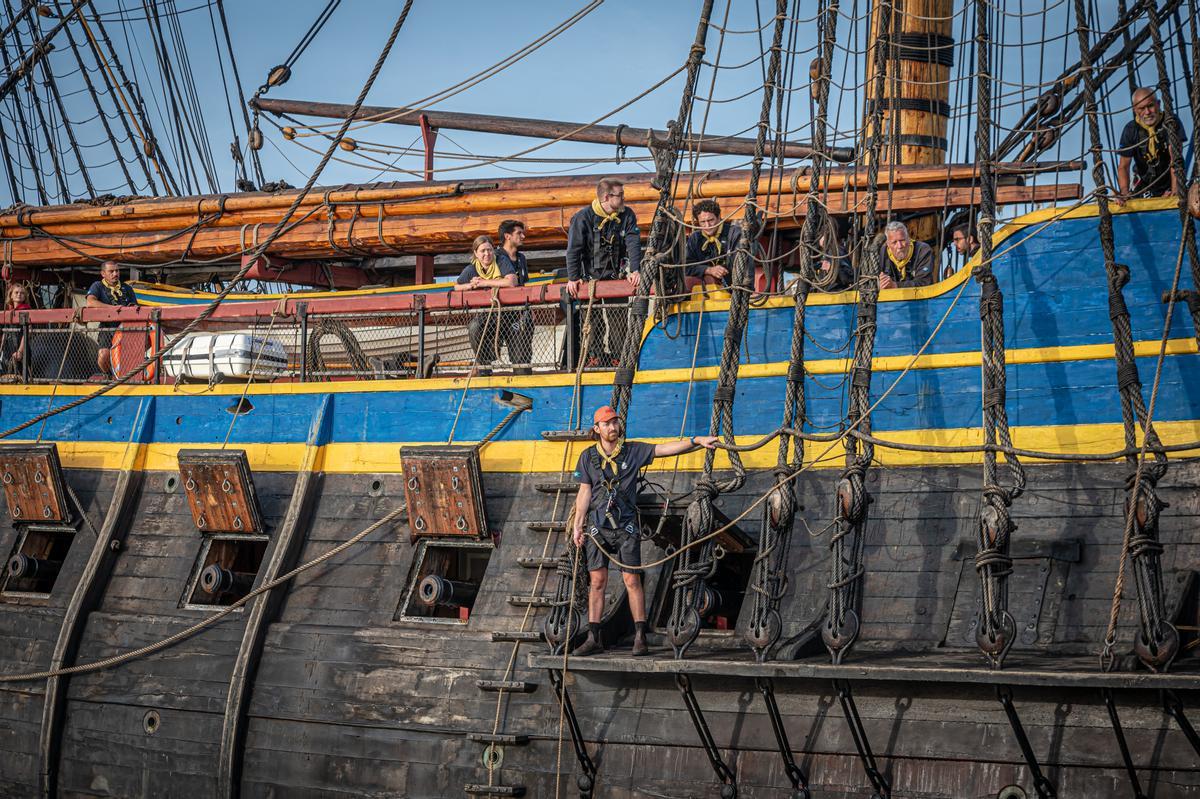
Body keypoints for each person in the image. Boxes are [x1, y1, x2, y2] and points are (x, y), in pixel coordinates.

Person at [570, 405, 718, 656]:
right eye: (607, 424)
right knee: (597, 581)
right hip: (597, 529)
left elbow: (664, 449)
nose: (613, 427)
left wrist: (697, 441)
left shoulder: (633, 451)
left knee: (631, 579)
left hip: (626, 527)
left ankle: (640, 635)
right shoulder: (587, 457)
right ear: (597, 429)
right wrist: (578, 526)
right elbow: (584, 492)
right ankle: (594, 636)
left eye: (615, 422)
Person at [565, 177, 641, 366]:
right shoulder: (583, 218)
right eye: (620, 195)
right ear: (607, 197)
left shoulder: (627, 215)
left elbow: (633, 242)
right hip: (589, 279)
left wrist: (635, 269)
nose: (623, 198)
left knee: (619, 320)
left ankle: (618, 357)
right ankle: (594, 356)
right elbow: (573, 249)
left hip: (616, 277)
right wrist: (573, 278)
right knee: (591, 320)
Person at [454, 235, 517, 374]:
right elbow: (456, 287)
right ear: (476, 253)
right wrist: (470, 285)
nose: (487, 254)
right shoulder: (471, 269)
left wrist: (484, 282)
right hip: (486, 315)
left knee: (518, 351)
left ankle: (487, 365)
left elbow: (512, 282)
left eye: (489, 250)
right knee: (474, 327)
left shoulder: (501, 261)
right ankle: (484, 366)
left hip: (507, 313)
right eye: (483, 251)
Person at [1116, 87, 1183, 203]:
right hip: (1145, 187)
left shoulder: (1171, 123)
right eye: (1142, 108)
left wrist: (1175, 192)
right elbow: (1123, 166)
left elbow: (1175, 160)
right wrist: (1124, 192)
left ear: (1158, 104)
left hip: (1170, 184)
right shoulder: (1131, 130)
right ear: (1135, 110)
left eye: (1150, 106)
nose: (1147, 112)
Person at [86, 261, 138, 377]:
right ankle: (109, 375)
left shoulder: (127, 288)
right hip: (107, 328)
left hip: (126, 329)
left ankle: (126, 376)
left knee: (128, 356)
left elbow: (134, 307)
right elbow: (90, 302)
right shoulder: (97, 286)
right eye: (111, 271)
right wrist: (113, 308)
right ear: (103, 273)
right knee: (103, 355)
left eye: (117, 271)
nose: (115, 274)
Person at [496, 219, 534, 373]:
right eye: (519, 233)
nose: (523, 236)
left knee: (521, 358)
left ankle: (523, 384)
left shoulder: (521, 258)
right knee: (487, 350)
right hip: (498, 314)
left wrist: (528, 310)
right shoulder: (496, 256)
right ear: (507, 236)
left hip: (518, 315)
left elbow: (522, 286)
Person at [684, 199, 742, 287]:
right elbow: (686, 267)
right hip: (706, 287)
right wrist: (708, 270)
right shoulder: (695, 238)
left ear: (719, 217)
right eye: (703, 222)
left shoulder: (734, 233)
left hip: (733, 286)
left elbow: (741, 264)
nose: (707, 226)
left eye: (711, 220)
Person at [877, 221, 935, 289]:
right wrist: (880, 283)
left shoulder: (923, 250)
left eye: (902, 240)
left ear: (908, 239)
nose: (900, 246)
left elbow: (924, 282)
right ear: (888, 244)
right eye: (894, 242)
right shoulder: (882, 252)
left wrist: (895, 285)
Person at [2, 283, 32, 375]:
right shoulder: (9, 312)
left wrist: (20, 351)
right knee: (7, 376)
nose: (19, 294)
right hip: (8, 350)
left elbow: (27, 333)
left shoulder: (27, 311)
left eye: (22, 293)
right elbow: (5, 332)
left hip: (21, 349)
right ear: (11, 296)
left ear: (24, 297)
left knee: (21, 376)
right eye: (16, 292)